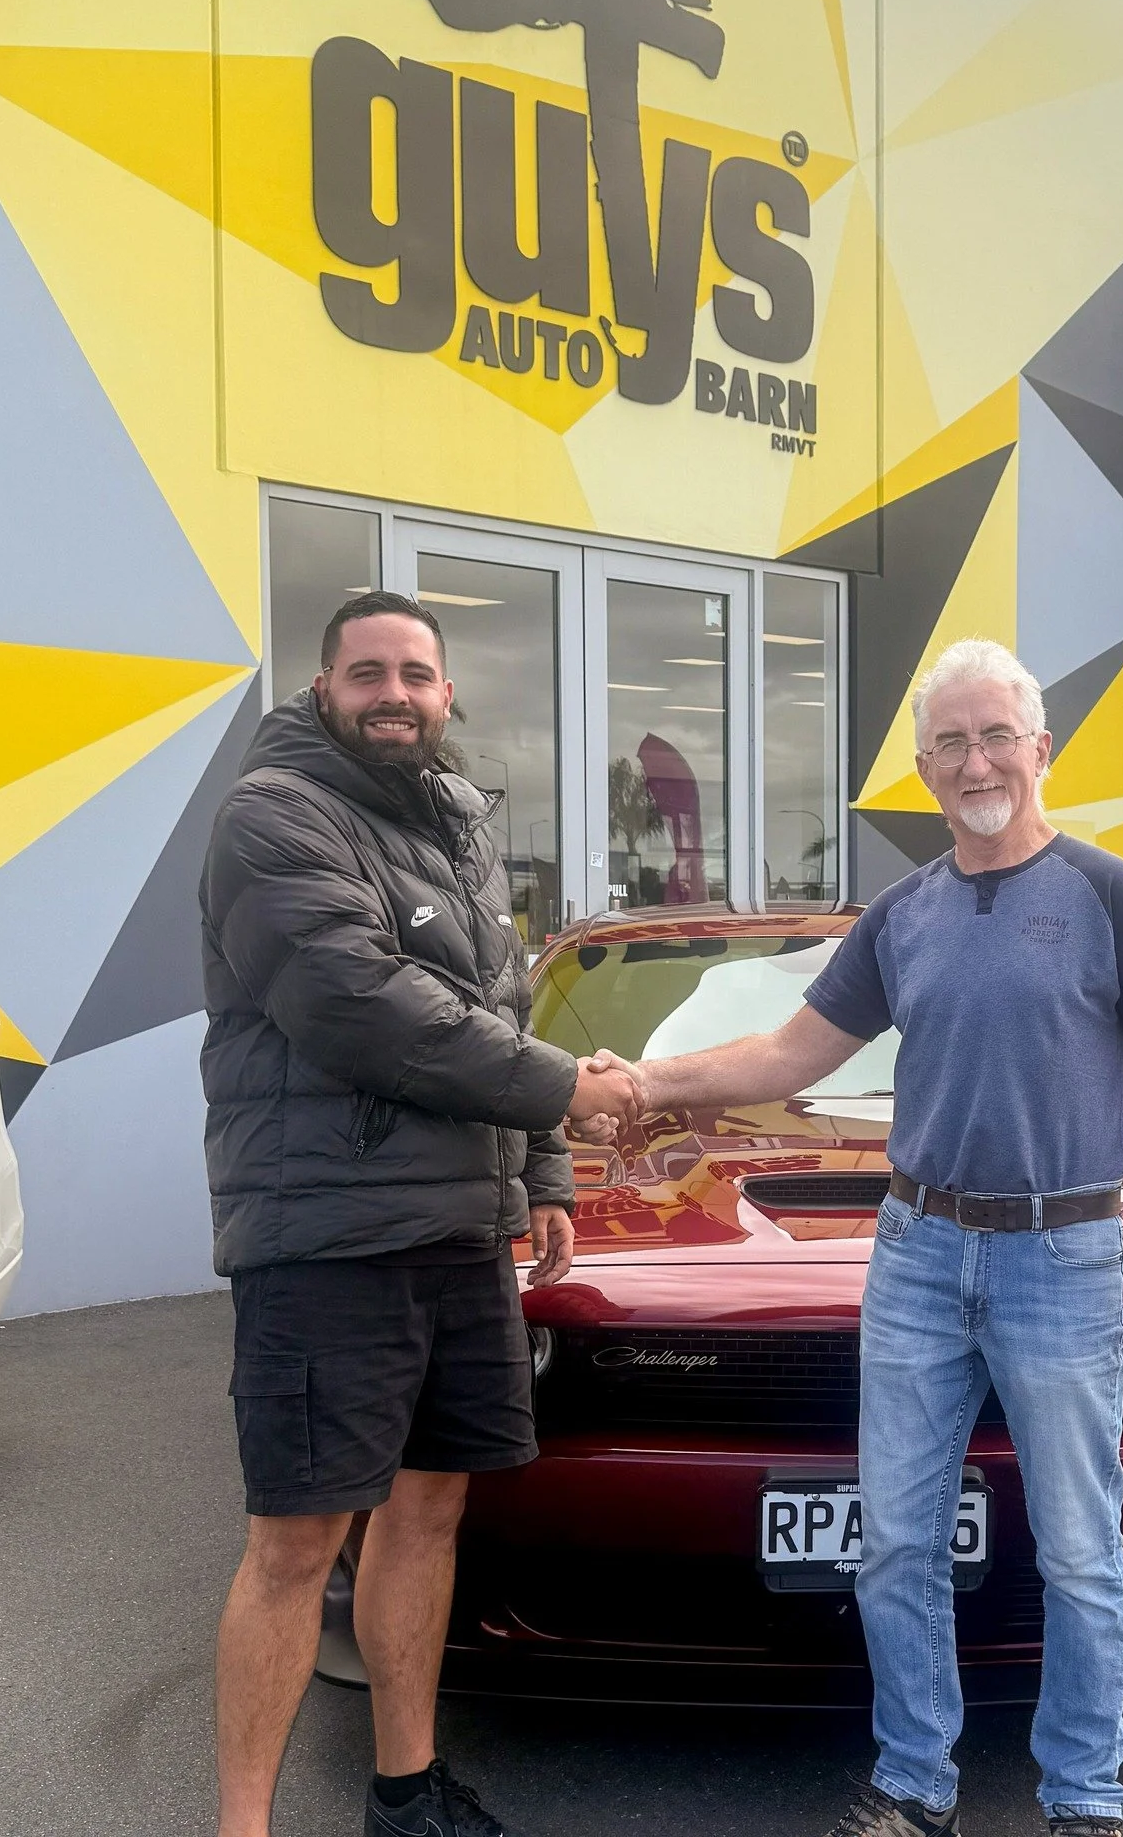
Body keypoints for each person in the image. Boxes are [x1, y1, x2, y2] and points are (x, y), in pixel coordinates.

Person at [596, 637, 1123, 1836]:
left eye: (996, 733)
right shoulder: (902, 915)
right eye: (950, 740)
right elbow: (787, 1055)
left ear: (1038, 750)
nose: (976, 757)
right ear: (923, 768)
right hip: (919, 1254)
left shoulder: (1103, 893)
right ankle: (913, 1786)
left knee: (1081, 1553)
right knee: (893, 1541)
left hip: (1063, 1255)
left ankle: (1084, 1796)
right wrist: (641, 1080)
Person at [199, 591, 638, 1837]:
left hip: (456, 1234)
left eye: (417, 673)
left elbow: (498, 1008)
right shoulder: (269, 814)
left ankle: (405, 1785)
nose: (394, 691)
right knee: (296, 1544)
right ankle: (243, 1824)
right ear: (326, 686)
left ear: (449, 696)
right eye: (367, 671)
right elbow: (358, 1002)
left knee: (429, 1508)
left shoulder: (455, 823)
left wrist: (541, 1166)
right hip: (325, 1237)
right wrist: (565, 1091)